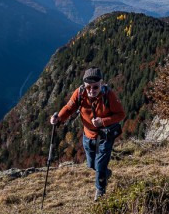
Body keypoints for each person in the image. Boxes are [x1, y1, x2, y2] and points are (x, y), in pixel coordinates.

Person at [50, 67, 126, 201]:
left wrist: (103, 121)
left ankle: (100, 191)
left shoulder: (108, 95)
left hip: (105, 136)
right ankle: (105, 173)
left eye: (95, 87)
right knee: (91, 164)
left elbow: (121, 114)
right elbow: (69, 108)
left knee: (100, 166)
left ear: (101, 84)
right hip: (88, 135)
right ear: (84, 85)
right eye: (88, 87)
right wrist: (59, 118)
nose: (91, 90)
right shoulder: (80, 93)